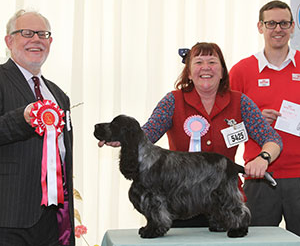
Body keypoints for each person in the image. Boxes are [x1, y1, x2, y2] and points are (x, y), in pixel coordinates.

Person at [98, 42, 282, 228]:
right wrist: (122, 137)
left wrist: (263, 158)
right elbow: (147, 134)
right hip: (178, 203)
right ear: (188, 71)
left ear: (222, 70)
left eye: (212, 62)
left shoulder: (240, 102)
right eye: (199, 62)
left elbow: (272, 139)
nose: (206, 68)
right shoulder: (172, 101)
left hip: (224, 203)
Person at [0, 10, 75, 245]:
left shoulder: (59, 95)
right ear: (9, 41)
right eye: (26, 33)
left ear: (50, 42)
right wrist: (22, 119)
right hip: (9, 216)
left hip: (53, 220)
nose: (36, 39)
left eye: (42, 34)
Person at [229, 0, 300, 236]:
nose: (277, 29)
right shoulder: (241, 71)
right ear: (260, 27)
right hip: (259, 176)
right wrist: (253, 121)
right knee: (257, 242)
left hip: (299, 175)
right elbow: (226, 131)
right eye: (271, 23)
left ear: (292, 27)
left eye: (283, 23)